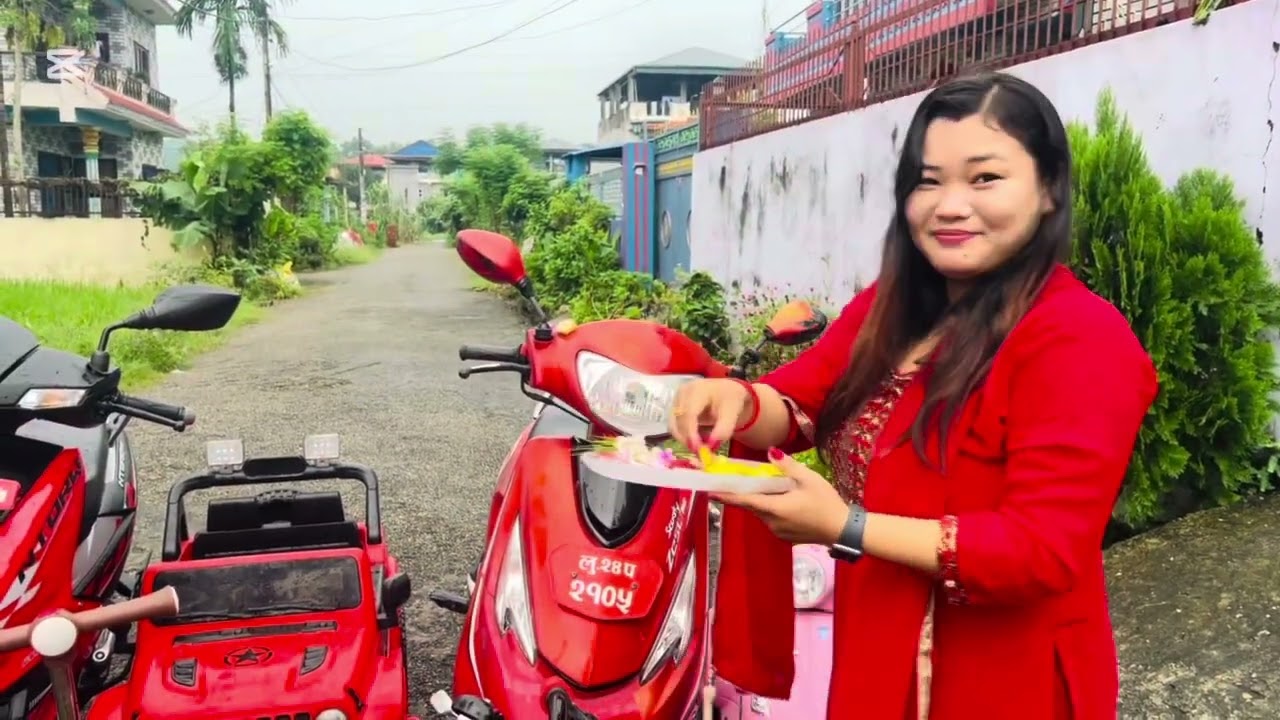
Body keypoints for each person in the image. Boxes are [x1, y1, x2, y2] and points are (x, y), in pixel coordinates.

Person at [670, 72, 1158, 720]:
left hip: (1004, 679)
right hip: (878, 649)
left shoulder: (1080, 338)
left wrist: (846, 526)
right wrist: (735, 402)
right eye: (929, 181)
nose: (950, 205)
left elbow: (1042, 548)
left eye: (984, 179)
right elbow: (803, 404)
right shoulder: (893, 309)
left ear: (1048, 191)